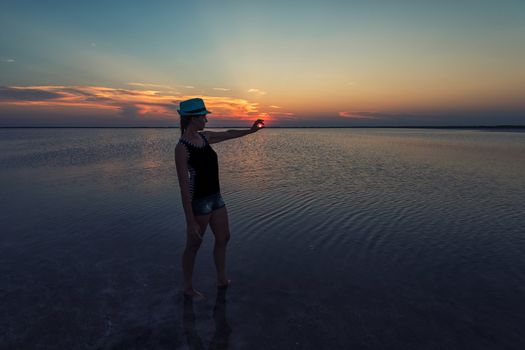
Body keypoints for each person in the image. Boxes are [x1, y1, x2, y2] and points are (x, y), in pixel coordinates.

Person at [174, 98, 264, 299]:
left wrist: (251, 131)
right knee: (193, 246)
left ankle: (222, 279)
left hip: (216, 198)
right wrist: (190, 222)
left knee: (224, 238)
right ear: (192, 118)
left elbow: (229, 134)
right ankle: (188, 288)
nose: (206, 119)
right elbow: (183, 188)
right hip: (199, 202)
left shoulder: (205, 138)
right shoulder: (182, 148)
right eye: (203, 116)